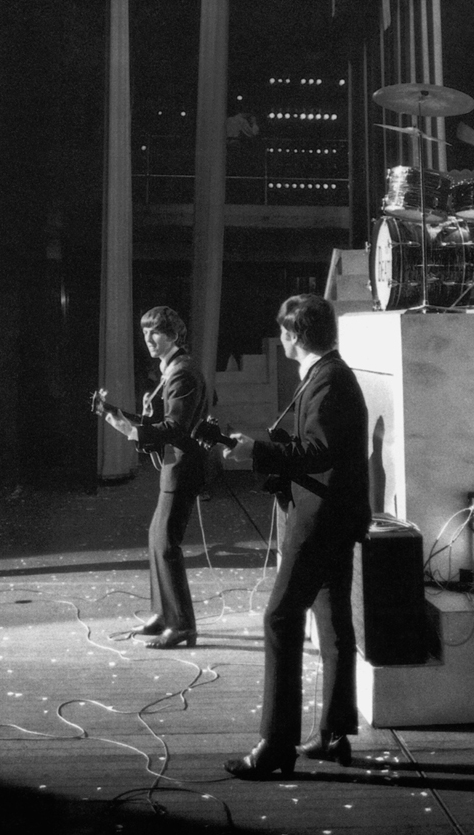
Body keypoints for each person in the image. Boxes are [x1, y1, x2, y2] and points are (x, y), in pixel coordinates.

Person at [221, 294, 371, 779]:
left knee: (281, 619)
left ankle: (276, 746)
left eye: (285, 331)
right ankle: (332, 732)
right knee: (332, 625)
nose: (281, 337)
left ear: (297, 335)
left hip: (320, 520)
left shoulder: (327, 379)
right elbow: (323, 447)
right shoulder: (330, 375)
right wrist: (266, 450)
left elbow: (320, 450)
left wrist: (259, 453)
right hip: (337, 516)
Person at [102, 307, 208, 649]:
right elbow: (159, 425)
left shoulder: (182, 373)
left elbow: (176, 427)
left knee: (165, 544)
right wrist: (115, 416)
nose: (148, 339)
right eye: (145, 332)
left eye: (156, 332)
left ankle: (182, 626)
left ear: (174, 335)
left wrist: (129, 429)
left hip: (184, 466)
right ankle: (163, 614)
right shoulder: (174, 369)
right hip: (175, 464)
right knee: (155, 538)